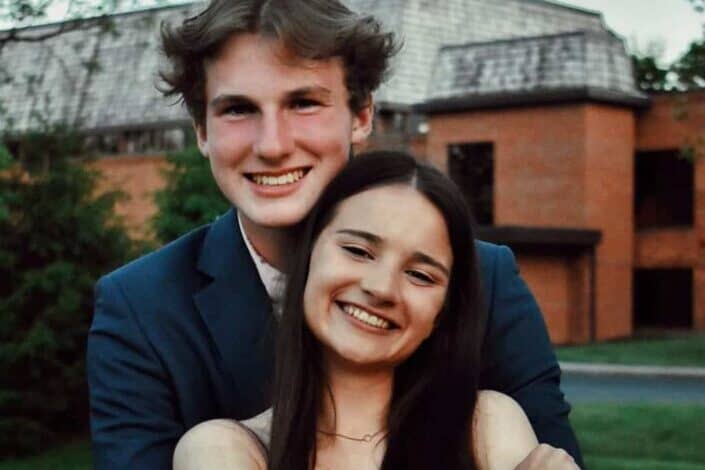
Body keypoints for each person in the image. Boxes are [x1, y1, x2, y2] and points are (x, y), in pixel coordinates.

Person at [86, 0, 582, 468]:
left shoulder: (485, 277)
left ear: (362, 115)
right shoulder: (140, 308)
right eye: (238, 109)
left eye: (303, 103)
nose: (273, 145)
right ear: (201, 130)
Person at [172, 151, 579, 470]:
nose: (381, 288)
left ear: (443, 310)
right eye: (357, 250)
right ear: (308, 255)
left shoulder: (487, 426)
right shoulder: (224, 448)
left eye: (420, 275)